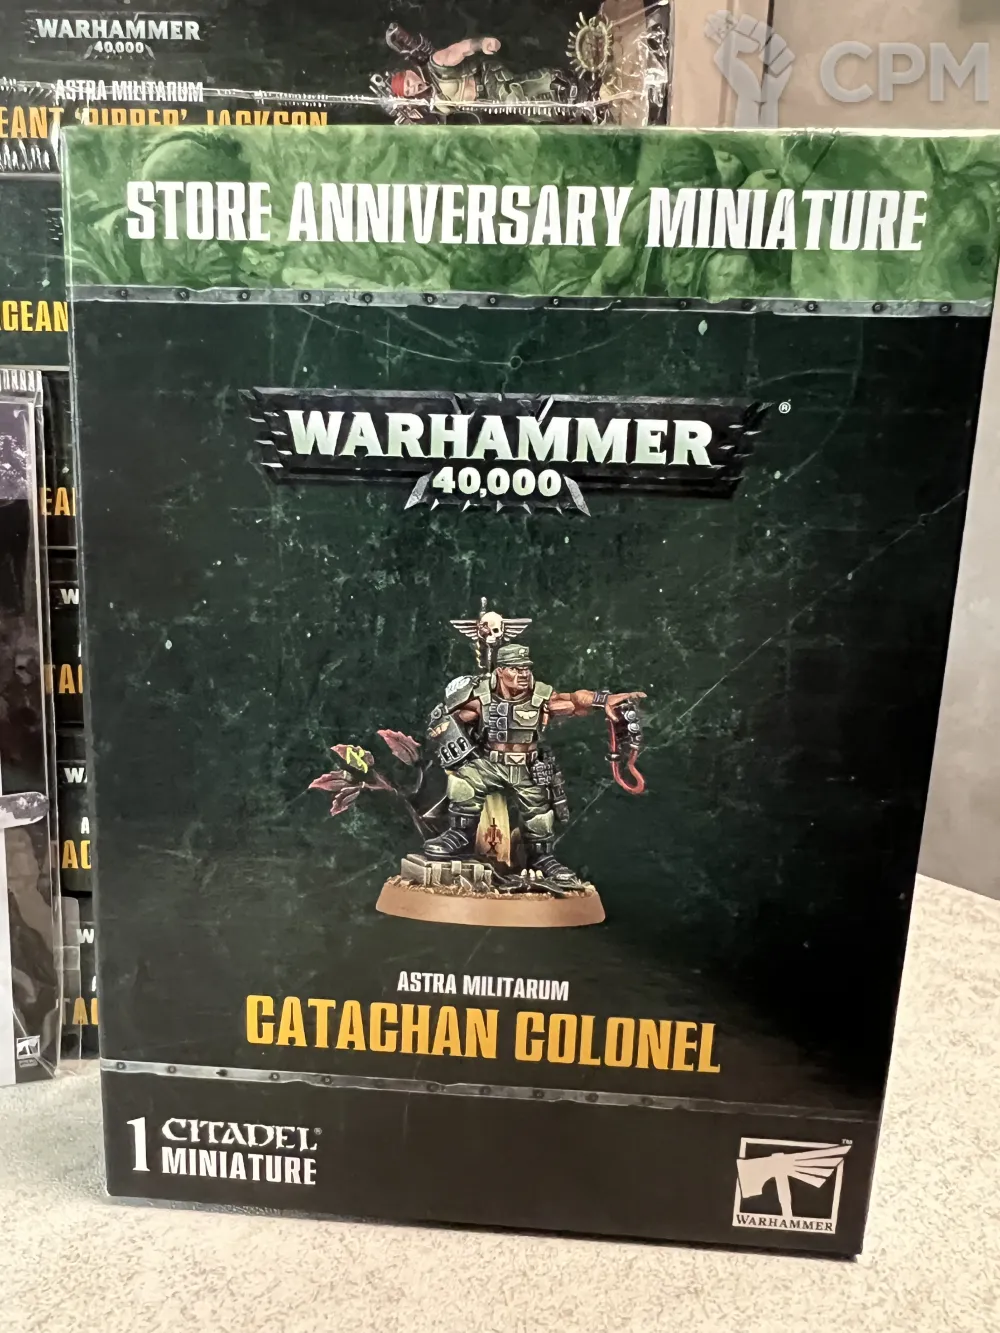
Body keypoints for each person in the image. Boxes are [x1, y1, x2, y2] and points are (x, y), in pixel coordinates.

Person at [423, 643, 645, 885]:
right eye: (515, 669)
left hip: (526, 768)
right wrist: (445, 732)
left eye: (526, 669)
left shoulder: (541, 699)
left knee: (539, 812)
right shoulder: (480, 698)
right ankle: (459, 835)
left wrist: (602, 699)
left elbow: (575, 701)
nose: (523, 674)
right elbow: (446, 718)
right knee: (464, 782)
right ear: (500, 671)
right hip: (490, 763)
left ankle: (541, 858)